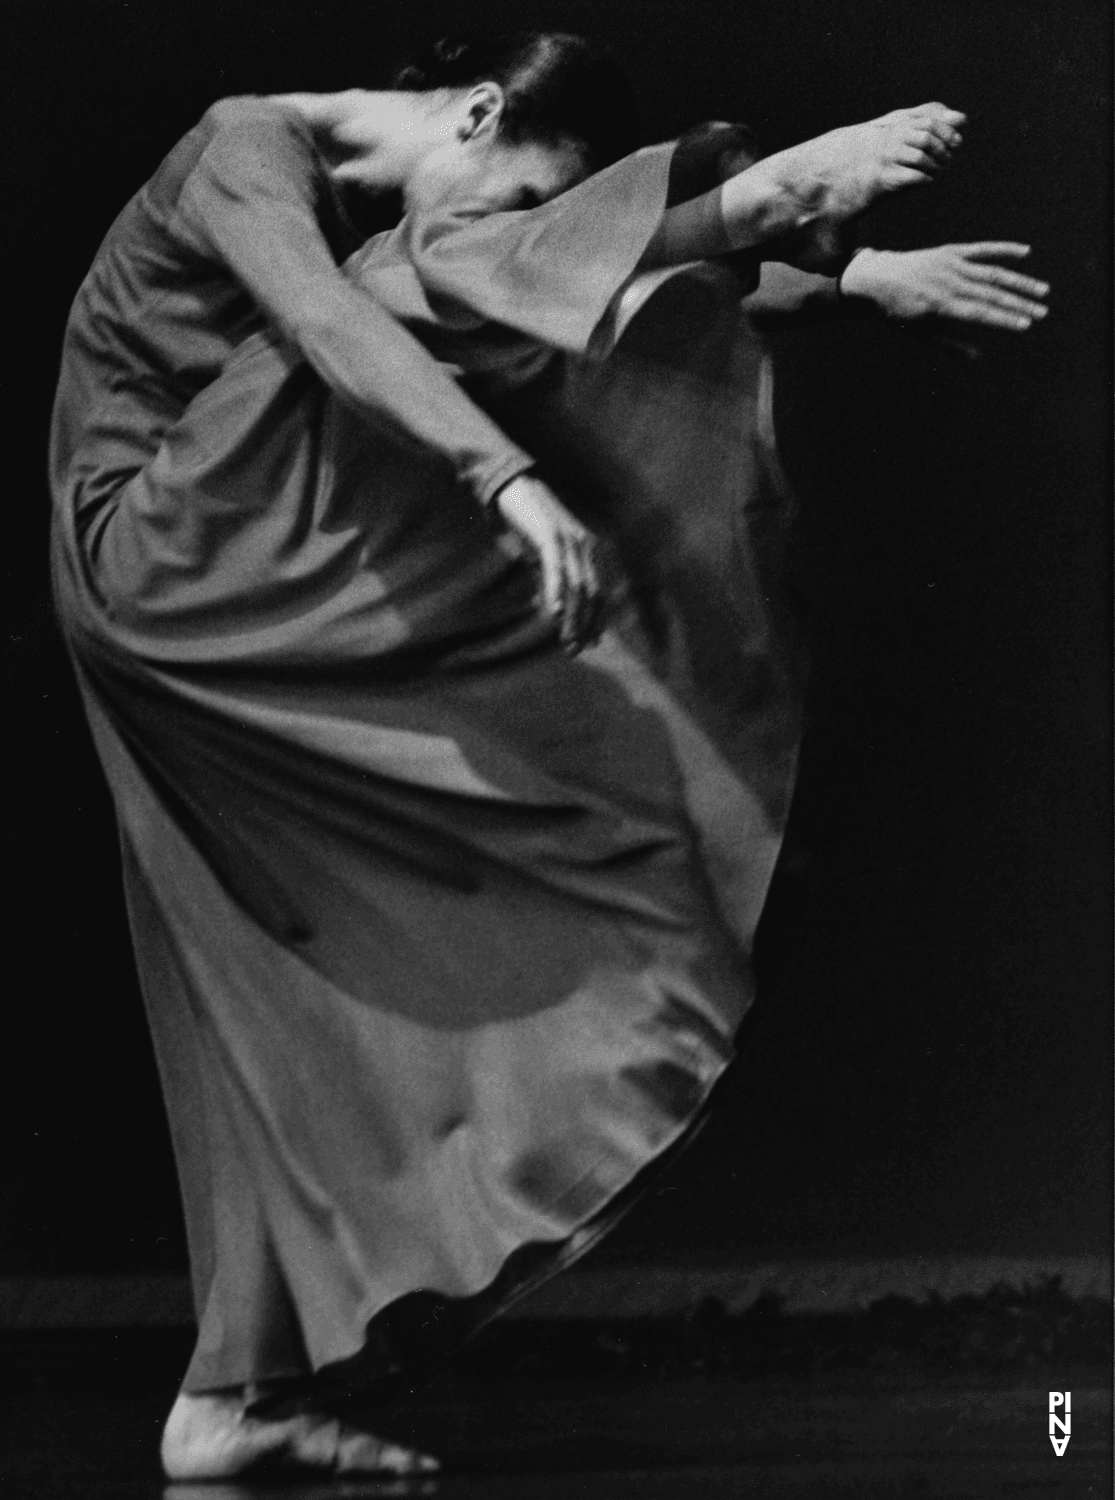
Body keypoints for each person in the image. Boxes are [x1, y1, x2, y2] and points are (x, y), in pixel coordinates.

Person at [49, 32, 1047, 1480]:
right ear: (471, 110)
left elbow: (536, 295)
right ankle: (733, 204)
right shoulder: (241, 150)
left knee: (264, 1002)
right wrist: (505, 479)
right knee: (402, 293)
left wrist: (852, 283)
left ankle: (229, 1397)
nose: (516, 242)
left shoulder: (426, 226)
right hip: (157, 546)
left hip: (240, 568)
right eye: (521, 199)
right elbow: (346, 332)